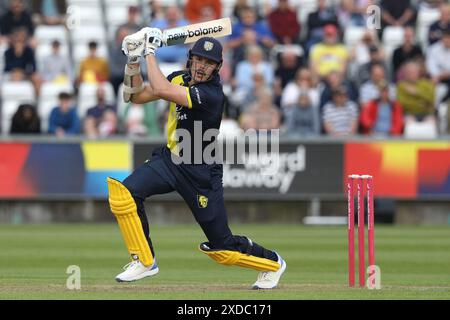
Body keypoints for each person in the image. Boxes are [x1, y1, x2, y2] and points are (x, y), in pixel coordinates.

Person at [108, 27, 286, 289]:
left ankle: (273, 263)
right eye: (199, 60)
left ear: (218, 68)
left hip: (201, 171)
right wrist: (133, 59)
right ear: (190, 59)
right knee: (124, 194)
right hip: (170, 161)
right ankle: (144, 261)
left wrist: (149, 50)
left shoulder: (212, 95)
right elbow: (135, 96)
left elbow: (158, 86)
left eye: (209, 63)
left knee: (222, 248)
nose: (202, 67)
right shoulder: (178, 78)